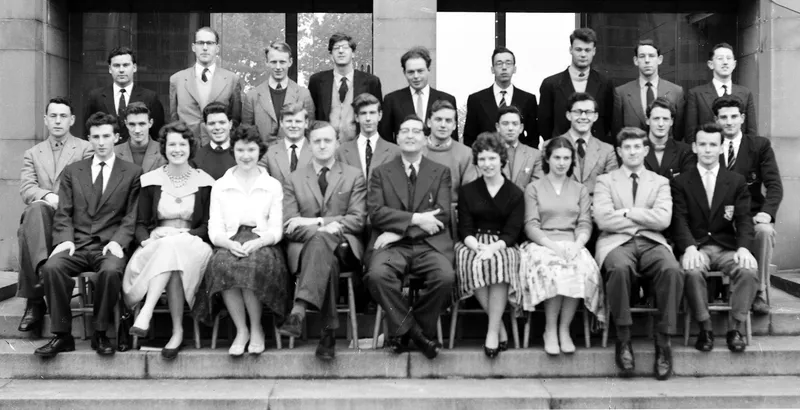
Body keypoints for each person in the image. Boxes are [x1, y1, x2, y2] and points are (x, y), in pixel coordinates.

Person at [34, 112, 142, 358]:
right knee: (52, 267)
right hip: (78, 245)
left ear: (116, 137)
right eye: (96, 137)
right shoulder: (73, 171)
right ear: (89, 139)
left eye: (106, 136)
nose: (101, 142)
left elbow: (132, 215)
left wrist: (118, 242)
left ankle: (101, 332)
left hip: (109, 246)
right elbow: (64, 211)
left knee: (112, 271)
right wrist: (65, 240)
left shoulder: (133, 172)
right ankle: (62, 335)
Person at [593, 127, 683, 381]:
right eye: (627, 148)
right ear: (619, 152)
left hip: (652, 242)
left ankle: (664, 342)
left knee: (672, 270)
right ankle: (624, 340)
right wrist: (643, 217)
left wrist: (625, 213)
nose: (632, 152)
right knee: (619, 269)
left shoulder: (661, 182)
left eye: (637, 147)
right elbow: (602, 219)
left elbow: (663, 220)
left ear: (646, 150)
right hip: (616, 242)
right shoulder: (605, 181)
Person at [193, 124, 290, 356]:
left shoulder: (272, 185)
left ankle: (257, 328)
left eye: (251, 150)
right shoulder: (221, 185)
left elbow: (277, 229)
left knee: (250, 266)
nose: (245, 156)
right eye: (240, 150)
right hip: (230, 240)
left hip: (262, 241)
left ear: (260, 151)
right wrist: (227, 243)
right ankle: (241, 329)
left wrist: (260, 241)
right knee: (222, 264)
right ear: (233, 152)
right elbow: (214, 228)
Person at [364, 115, 455, 360]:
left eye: (416, 131)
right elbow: (376, 212)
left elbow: (442, 215)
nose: (410, 135)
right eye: (405, 130)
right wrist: (415, 220)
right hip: (393, 249)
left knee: (445, 277)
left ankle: (405, 330)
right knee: (377, 275)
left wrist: (397, 230)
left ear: (425, 139)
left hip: (428, 245)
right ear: (396, 138)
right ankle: (417, 333)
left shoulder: (440, 172)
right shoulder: (381, 173)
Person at [122, 121, 215, 359]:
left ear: (189, 147)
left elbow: (207, 225)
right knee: (170, 254)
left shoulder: (205, 181)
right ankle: (177, 332)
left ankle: (147, 312)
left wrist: (185, 234)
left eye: (182, 144)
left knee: (175, 247)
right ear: (164, 148)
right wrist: (146, 241)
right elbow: (140, 223)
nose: (177, 149)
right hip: (156, 243)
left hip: (193, 243)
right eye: (171, 144)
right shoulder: (151, 180)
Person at [278, 121, 367, 360]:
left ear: (337, 143)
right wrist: (326, 227)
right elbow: (289, 226)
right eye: (317, 141)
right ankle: (327, 336)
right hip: (312, 251)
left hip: (345, 247)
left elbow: (357, 221)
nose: (322, 145)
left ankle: (299, 309)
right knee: (325, 254)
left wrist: (314, 223)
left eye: (327, 140)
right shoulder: (294, 179)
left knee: (322, 242)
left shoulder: (353, 176)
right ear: (309, 143)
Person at [672, 122, 758, 353]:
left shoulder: (736, 180)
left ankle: (735, 328)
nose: (707, 150)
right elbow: (679, 219)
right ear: (694, 147)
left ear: (721, 148)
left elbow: (743, 219)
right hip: (698, 246)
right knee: (691, 271)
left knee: (748, 270)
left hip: (726, 247)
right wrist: (689, 247)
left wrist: (743, 249)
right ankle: (705, 328)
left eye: (713, 145)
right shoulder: (681, 181)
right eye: (702, 144)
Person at [519, 136, 605, 355]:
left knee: (580, 268)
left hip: (573, 242)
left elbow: (585, 222)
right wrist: (552, 246)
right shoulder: (534, 188)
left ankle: (564, 329)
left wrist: (577, 245)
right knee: (555, 269)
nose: (561, 162)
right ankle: (549, 329)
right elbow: (531, 224)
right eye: (556, 157)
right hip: (542, 243)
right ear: (547, 159)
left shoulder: (580, 189)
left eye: (566, 158)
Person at [17, 97, 93, 336]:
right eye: (53, 116)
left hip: (73, 218)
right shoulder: (33, 153)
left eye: (63, 116)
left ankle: (35, 299)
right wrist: (48, 195)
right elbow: (27, 188)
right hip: (44, 214)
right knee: (35, 210)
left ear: (71, 120)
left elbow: (90, 186)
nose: (58, 121)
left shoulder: (84, 149)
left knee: (27, 230)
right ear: (46, 120)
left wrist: (64, 200)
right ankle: (42, 274)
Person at [454, 132, 524, 358]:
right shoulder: (467, 191)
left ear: (502, 159)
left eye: (492, 158)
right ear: (476, 161)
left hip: (502, 243)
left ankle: (492, 331)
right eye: (482, 159)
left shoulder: (515, 193)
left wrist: (493, 248)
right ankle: (500, 327)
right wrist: (477, 247)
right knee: (470, 260)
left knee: (501, 262)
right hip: (472, 242)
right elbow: (464, 228)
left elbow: (513, 231)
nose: (487, 164)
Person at [714, 95, 781, 315]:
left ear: (742, 118)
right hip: (718, 219)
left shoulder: (759, 145)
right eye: (723, 117)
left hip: (751, 215)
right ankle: (717, 290)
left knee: (764, 231)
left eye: (734, 116)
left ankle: (759, 292)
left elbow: (774, 186)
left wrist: (767, 213)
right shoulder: (710, 145)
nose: (729, 122)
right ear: (716, 120)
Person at [539, 28, 614, 144]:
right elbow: (544, 123)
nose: (583, 54)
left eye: (587, 50)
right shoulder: (551, 84)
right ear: (571, 50)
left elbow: (608, 121)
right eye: (578, 50)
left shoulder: (605, 84)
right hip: (561, 150)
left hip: (595, 151)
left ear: (594, 51)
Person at [170, 26, 242, 144]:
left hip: (219, 149)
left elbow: (235, 120)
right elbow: (174, 119)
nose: (204, 48)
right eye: (200, 43)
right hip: (188, 149)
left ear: (217, 48)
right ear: (193, 47)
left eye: (209, 43)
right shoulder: (177, 79)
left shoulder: (231, 80)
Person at [308, 33, 382, 142]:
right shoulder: (317, 81)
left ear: (353, 53)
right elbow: (311, 117)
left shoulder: (371, 81)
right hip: (326, 145)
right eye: (336, 48)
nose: (341, 51)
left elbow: (378, 118)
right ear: (331, 55)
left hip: (358, 148)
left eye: (345, 47)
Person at [83, 46, 164, 143]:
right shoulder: (95, 97)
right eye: (116, 65)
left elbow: (157, 134)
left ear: (134, 67)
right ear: (110, 69)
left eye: (125, 65)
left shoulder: (150, 97)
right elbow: (88, 132)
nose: (121, 70)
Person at [242, 41, 315, 146]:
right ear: (266, 62)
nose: (278, 67)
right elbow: (246, 135)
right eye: (273, 62)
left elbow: (309, 132)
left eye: (282, 62)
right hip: (262, 159)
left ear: (290, 62)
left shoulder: (303, 95)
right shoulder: (253, 96)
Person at [463, 46, 538, 147]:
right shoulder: (476, 100)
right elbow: (469, 138)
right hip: (486, 157)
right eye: (499, 63)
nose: (504, 67)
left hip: (519, 159)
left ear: (514, 69)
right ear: (492, 69)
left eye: (508, 63)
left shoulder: (528, 99)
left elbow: (533, 138)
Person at [379, 47, 458, 143]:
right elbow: (385, 139)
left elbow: (453, 139)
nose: (416, 76)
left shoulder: (447, 99)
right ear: (404, 73)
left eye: (420, 71)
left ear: (428, 70)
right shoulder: (392, 100)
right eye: (411, 72)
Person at [612, 39, 685, 141]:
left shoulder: (676, 91)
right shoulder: (622, 93)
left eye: (651, 56)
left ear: (659, 59)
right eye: (642, 56)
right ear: (636, 60)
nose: (647, 60)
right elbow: (617, 131)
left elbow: (678, 132)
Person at [685, 43, 757, 142]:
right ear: (710, 64)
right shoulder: (696, 94)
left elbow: (751, 133)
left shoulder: (746, 93)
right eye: (720, 58)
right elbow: (691, 136)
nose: (725, 62)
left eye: (728, 58)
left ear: (734, 64)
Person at [553, 92, 618, 196]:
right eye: (578, 112)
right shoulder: (550, 147)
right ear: (568, 115)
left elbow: (611, 188)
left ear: (595, 116)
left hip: (595, 208)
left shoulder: (607, 150)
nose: (583, 117)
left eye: (588, 112)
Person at [422, 100, 479, 207]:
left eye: (448, 121)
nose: (443, 125)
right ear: (429, 122)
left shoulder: (466, 154)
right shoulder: (416, 151)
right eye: (438, 120)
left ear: (454, 125)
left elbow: (470, 195)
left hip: (453, 217)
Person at [336, 93, 400, 181]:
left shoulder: (395, 152)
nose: (368, 118)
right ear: (356, 117)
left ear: (380, 115)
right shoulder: (342, 151)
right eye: (363, 113)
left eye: (372, 113)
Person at [643, 97, 695, 181]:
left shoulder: (685, 151)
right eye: (656, 119)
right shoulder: (636, 149)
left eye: (665, 119)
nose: (661, 124)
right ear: (647, 120)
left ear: (671, 122)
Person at [262, 103, 313, 185]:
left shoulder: (317, 151)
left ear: (306, 123)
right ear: (281, 123)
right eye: (289, 121)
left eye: (298, 121)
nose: (293, 125)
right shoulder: (269, 153)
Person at [496, 106, 543, 190]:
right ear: (498, 127)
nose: (510, 128)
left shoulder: (535, 155)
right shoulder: (486, 155)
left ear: (521, 128)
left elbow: (536, 189)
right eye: (505, 123)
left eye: (515, 124)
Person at [114, 102, 168, 173]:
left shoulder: (164, 151)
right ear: (126, 124)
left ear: (150, 123)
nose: (137, 130)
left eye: (142, 124)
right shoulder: (114, 153)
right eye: (132, 124)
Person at [191, 102, 237, 180]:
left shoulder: (243, 155)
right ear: (205, 126)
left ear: (230, 124)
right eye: (212, 123)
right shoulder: (197, 158)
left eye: (222, 122)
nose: (217, 127)